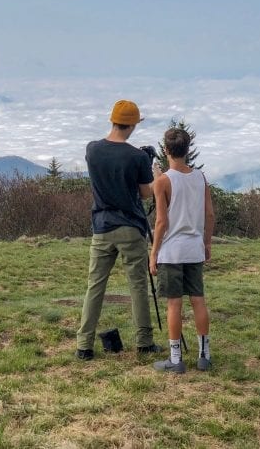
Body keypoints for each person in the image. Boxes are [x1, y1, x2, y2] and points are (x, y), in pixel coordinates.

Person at [75, 100, 163, 361]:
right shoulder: (136, 156)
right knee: (137, 285)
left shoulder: (92, 150)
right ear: (133, 125)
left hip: (101, 227)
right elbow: (145, 193)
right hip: (130, 228)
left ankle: (84, 346)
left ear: (112, 120)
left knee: (95, 286)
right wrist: (153, 171)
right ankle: (144, 342)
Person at [150, 127, 215, 374]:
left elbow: (161, 222)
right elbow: (209, 214)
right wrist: (206, 243)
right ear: (187, 150)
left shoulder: (163, 181)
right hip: (194, 248)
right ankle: (204, 355)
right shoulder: (201, 178)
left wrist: (154, 252)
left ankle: (176, 359)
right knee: (198, 300)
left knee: (174, 305)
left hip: (172, 252)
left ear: (165, 150)